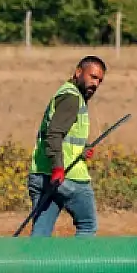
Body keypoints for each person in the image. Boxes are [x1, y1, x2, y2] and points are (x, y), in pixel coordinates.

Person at [27, 55, 107, 237]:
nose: (96, 84)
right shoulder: (71, 98)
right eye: (93, 77)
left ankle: (33, 265)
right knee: (87, 226)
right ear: (78, 72)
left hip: (41, 173)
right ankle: (77, 266)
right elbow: (54, 133)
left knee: (41, 233)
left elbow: (62, 136)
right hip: (67, 177)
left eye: (100, 80)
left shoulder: (65, 94)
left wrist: (82, 149)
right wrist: (58, 168)